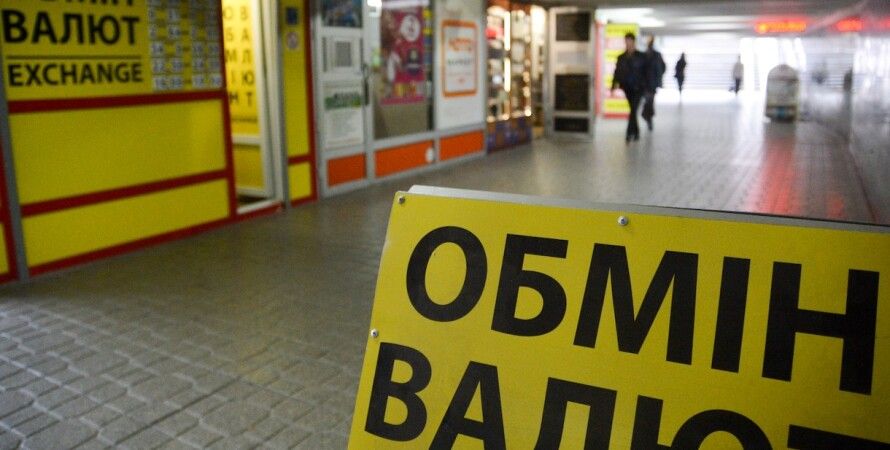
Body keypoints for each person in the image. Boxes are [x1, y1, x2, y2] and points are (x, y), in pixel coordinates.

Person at [611, 33, 648, 142]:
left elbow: (647, 72)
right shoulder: (621, 57)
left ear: (633, 42)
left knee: (633, 109)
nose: (628, 43)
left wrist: (648, 86)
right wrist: (613, 85)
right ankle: (636, 131)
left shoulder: (642, 56)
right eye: (626, 41)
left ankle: (629, 133)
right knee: (633, 109)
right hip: (627, 87)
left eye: (629, 41)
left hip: (639, 87)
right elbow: (617, 72)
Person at [641, 36, 666, 130]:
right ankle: (648, 116)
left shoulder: (657, 55)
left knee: (650, 101)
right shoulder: (643, 55)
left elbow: (663, 67)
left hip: (653, 83)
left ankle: (648, 117)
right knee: (648, 101)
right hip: (644, 83)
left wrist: (658, 77)